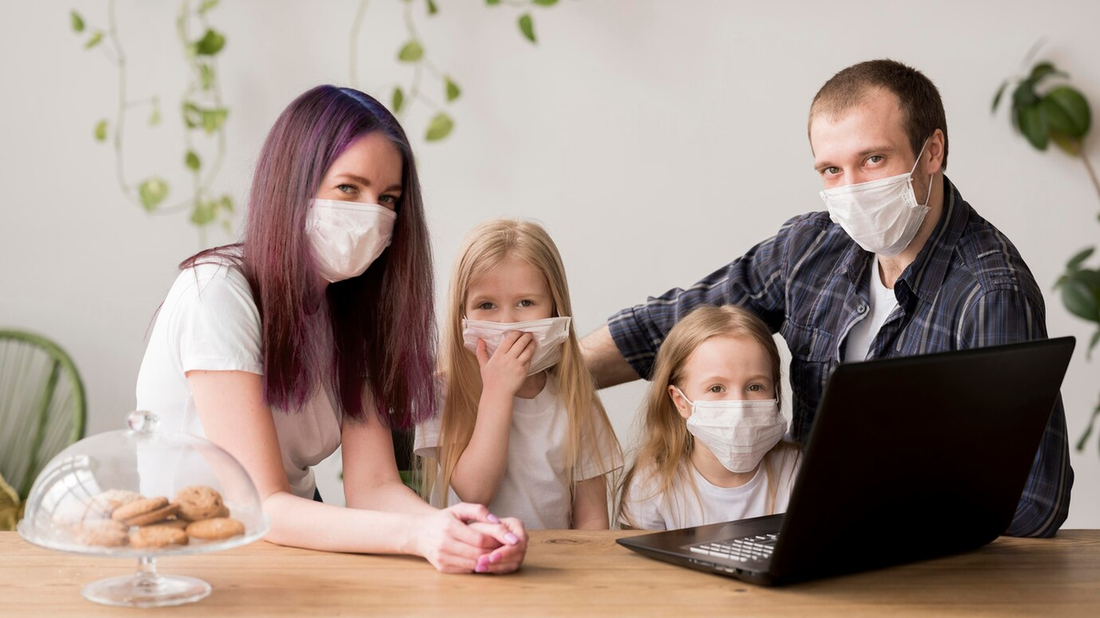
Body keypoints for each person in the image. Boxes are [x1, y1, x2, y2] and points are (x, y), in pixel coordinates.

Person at [581, 59, 1072, 537]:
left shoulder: (989, 292)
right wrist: (548, 376)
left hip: (918, 566)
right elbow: (676, 326)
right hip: (806, 546)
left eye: (873, 159)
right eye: (831, 170)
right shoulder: (813, 246)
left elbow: (1035, 501)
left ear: (933, 152)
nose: (852, 190)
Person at [136, 85, 526, 574]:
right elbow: (263, 506)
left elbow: (376, 486)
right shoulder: (215, 294)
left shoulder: (348, 312)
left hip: (289, 554)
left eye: (388, 199)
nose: (372, 216)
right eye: (349, 189)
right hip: (193, 561)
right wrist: (421, 534)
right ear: (292, 186)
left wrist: (457, 529)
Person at [415, 219, 623, 530]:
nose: (508, 323)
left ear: (555, 306)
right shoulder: (444, 394)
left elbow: (591, 517)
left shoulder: (576, 399)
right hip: (469, 567)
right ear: (462, 314)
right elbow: (475, 491)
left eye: (526, 302)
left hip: (556, 570)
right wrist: (497, 392)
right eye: (486, 305)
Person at [618, 305, 800, 530]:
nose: (739, 405)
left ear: (774, 390)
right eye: (716, 388)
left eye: (755, 386)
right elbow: (638, 565)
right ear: (680, 401)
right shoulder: (652, 486)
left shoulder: (799, 473)